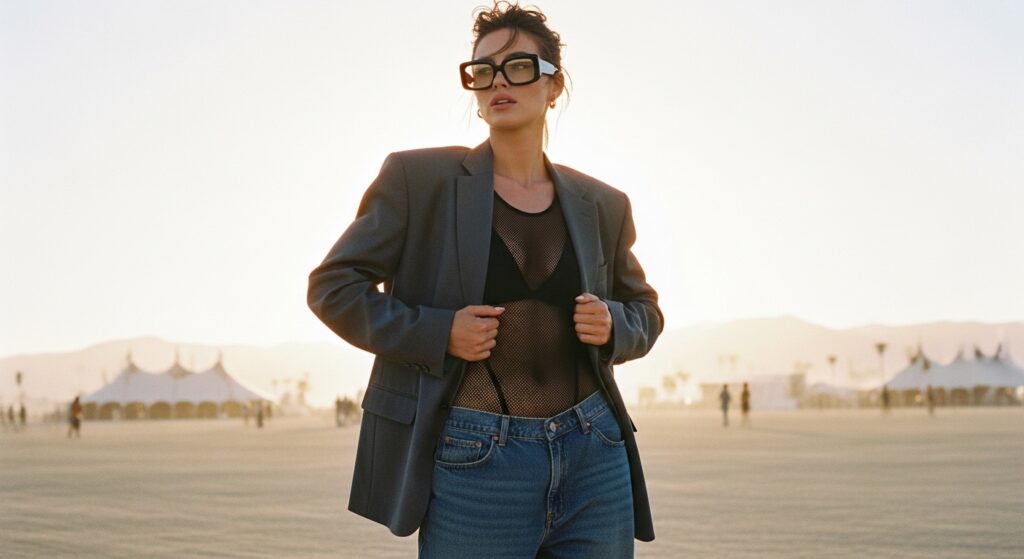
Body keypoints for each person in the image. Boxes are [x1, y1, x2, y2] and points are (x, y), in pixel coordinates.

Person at [306, 2, 663, 555]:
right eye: (483, 70)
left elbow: (645, 310)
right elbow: (334, 286)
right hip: (476, 456)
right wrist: (437, 331)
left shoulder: (603, 203)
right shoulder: (418, 179)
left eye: (518, 66)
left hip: (595, 451)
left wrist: (615, 322)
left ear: (553, 85)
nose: (497, 81)